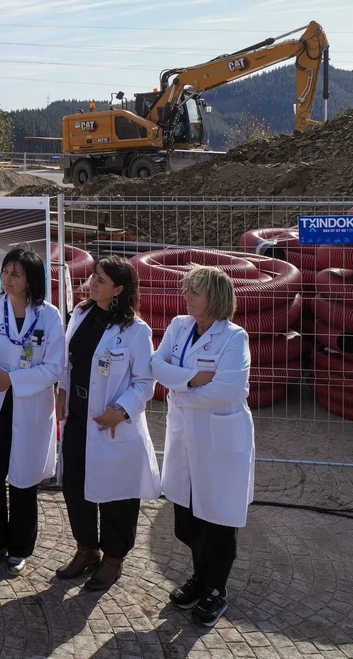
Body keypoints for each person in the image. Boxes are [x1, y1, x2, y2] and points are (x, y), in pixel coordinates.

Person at [149, 265, 254, 629]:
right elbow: (155, 363)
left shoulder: (234, 338)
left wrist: (178, 388)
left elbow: (225, 389)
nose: (186, 296)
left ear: (216, 298)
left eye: (195, 291)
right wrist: (191, 379)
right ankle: (199, 577)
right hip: (185, 436)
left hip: (220, 441)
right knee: (189, 519)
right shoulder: (179, 326)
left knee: (219, 519)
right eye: (187, 290)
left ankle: (216, 590)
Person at [55, 254, 159, 591]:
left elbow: (146, 382)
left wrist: (122, 409)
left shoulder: (136, 330)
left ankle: (114, 558)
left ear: (118, 289)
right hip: (78, 416)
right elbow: (69, 363)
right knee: (75, 484)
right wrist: (61, 391)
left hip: (113, 421)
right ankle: (86, 548)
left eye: (101, 280)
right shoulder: (81, 314)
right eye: (93, 276)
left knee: (117, 494)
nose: (92, 283)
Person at [0, 247, 65, 575]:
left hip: (29, 404)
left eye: (16, 274)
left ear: (30, 281)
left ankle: (20, 546)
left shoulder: (49, 316)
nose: (7, 279)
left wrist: (15, 379)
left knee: (23, 480)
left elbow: (54, 367)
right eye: (5, 272)